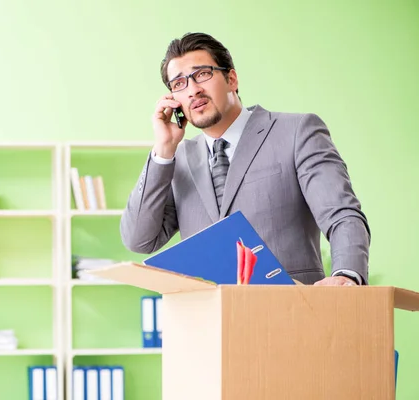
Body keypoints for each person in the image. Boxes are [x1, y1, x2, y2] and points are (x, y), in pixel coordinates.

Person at [119, 32, 370, 286]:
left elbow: (341, 213)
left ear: (232, 79)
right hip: (209, 318)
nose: (193, 90)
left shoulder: (296, 132)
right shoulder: (178, 159)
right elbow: (139, 239)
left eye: (202, 74)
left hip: (291, 312)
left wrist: (347, 275)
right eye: (179, 84)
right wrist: (163, 150)